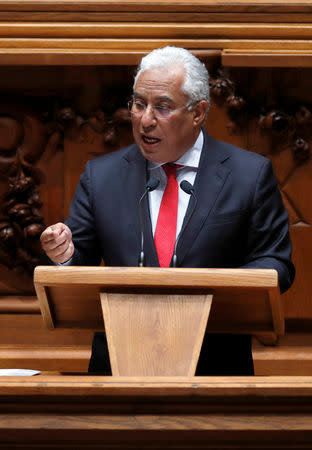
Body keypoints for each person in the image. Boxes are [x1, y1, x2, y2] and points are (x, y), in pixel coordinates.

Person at [40, 46, 295, 375]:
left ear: (198, 112)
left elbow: (276, 263)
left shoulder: (249, 175)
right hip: (118, 371)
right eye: (138, 104)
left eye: (162, 107)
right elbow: (77, 263)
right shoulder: (101, 177)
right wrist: (63, 255)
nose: (145, 120)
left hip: (214, 370)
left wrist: (227, 289)